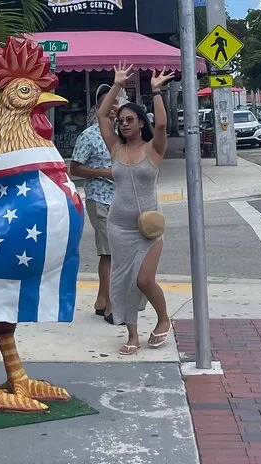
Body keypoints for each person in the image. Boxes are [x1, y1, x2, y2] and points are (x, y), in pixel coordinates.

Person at [97, 62, 175, 356]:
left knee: (143, 279)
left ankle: (163, 318)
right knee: (123, 282)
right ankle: (132, 334)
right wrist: (116, 84)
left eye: (130, 120)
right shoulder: (116, 148)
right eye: (121, 121)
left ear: (142, 122)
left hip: (149, 227)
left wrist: (156, 91)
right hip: (119, 226)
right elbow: (102, 114)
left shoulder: (154, 149)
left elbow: (163, 125)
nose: (124, 124)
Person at [70, 84, 117, 324]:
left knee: (117, 252)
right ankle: (110, 306)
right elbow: (75, 168)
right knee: (109, 253)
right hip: (100, 198)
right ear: (99, 107)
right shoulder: (89, 135)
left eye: (116, 101)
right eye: (108, 102)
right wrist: (103, 172)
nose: (113, 106)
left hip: (122, 201)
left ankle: (100, 300)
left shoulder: (124, 131)